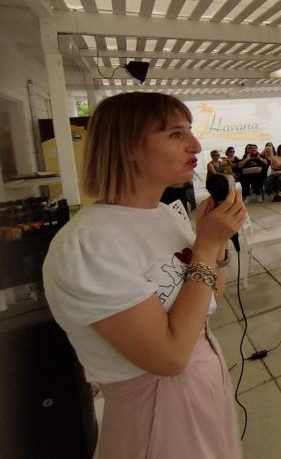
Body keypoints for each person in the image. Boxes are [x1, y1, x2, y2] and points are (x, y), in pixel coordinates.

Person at [42, 92, 246, 459]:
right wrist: (204, 246)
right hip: (159, 412)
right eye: (174, 134)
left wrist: (216, 244)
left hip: (205, 388)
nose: (195, 144)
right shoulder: (91, 244)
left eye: (189, 131)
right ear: (128, 147)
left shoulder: (166, 214)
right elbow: (169, 358)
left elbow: (211, 298)